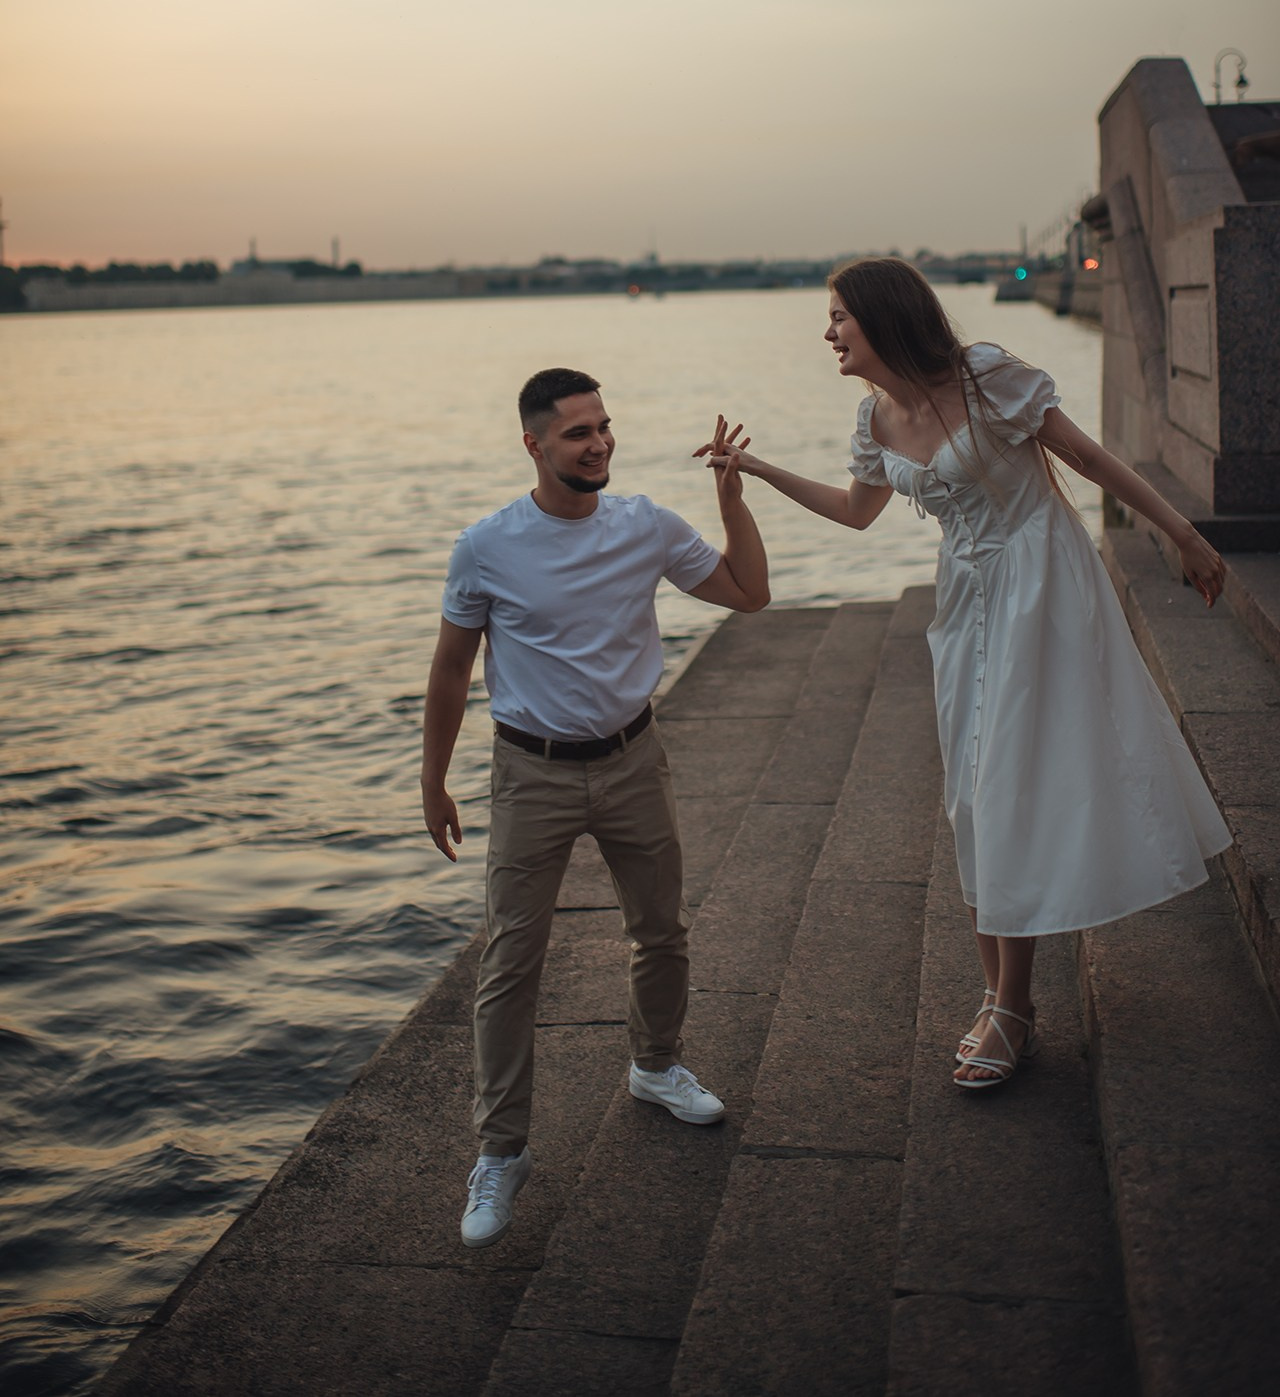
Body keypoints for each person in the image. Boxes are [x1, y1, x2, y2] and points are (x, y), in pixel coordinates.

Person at [697, 258, 1230, 1092]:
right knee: (970, 795)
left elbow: (1087, 459)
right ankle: (997, 994)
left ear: (882, 317)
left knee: (1006, 785)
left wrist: (1183, 535)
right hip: (968, 598)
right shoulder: (874, 417)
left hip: (1043, 582)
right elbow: (854, 510)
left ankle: (1011, 1009)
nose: (828, 332)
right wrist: (756, 476)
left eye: (839, 316)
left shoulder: (987, 377)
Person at [422, 367, 770, 1246]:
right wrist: (433, 780)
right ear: (535, 445)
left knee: (661, 930)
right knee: (511, 962)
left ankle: (655, 1067)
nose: (599, 442)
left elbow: (746, 592)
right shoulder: (487, 545)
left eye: (604, 425)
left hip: (631, 759)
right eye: (577, 432)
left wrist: (732, 497)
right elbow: (452, 667)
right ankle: (502, 1150)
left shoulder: (646, 524)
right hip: (529, 772)